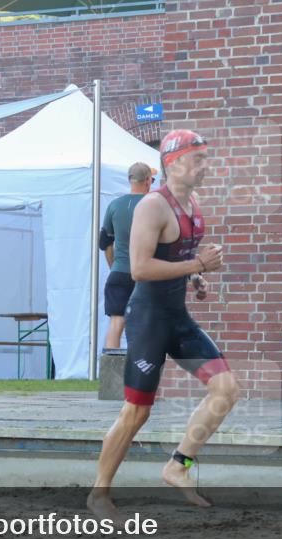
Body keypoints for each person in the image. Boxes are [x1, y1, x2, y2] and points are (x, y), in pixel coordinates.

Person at [88, 130, 240, 518]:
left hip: (177, 316)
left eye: (206, 158)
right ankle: (98, 493)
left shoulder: (193, 203)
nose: (205, 165)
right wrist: (198, 265)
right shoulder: (152, 207)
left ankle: (178, 466)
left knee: (225, 388)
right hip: (149, 320)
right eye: (198, 159)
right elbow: (139, 268)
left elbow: (177, 256)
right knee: (137, 412)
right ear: (173, 163)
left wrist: (194, 278)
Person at [99, 162, 156, 349]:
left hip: (118, 273)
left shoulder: (114, 205)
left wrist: (114, 265)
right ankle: (140, 372)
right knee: (144, 325)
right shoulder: (153, 205)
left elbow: (104, 242)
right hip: (145, 275)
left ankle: (110, 373)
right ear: (147, 181)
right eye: (152, 180)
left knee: (116, 324)